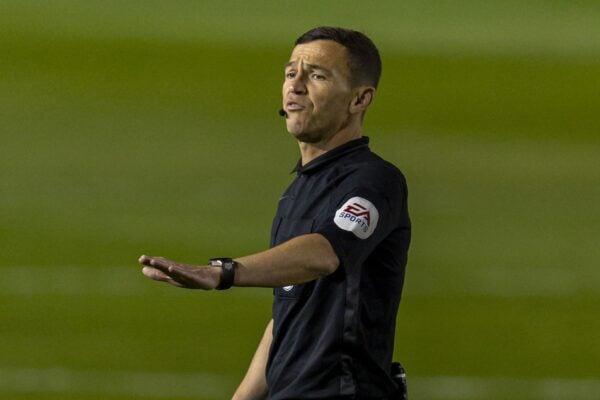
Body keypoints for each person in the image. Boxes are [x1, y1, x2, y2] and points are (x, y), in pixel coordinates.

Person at [139, 26, 411, 400]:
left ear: (360, 99)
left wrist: (222, 273)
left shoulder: (374, 181)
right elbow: (288, 314)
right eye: (290, 73)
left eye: (317, 75)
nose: (295, 86)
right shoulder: (297, 192)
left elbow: (324, 253)